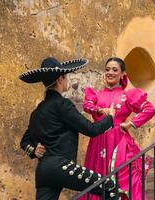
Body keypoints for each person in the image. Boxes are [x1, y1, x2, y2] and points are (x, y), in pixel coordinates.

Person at [19, 57, 119, 200]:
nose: (67, 81)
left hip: (43, 171)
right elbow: (91, 129)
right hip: (60, 167)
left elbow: (24, 141)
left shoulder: (37, 111)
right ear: (60, 79)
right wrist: (110, 117)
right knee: (109, 186)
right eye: (66, 78)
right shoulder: (62, 104)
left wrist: (34, 150)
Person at [82, 57, 155, 200]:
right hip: (98, 142)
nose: (110, 72)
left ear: (123, 74)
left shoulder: (127, 95)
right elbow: (87, 106)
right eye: (107, 69)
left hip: (118, 142)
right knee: (96, 181)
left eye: (115, 70)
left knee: (124, 181)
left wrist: (131, 124)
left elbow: (150, 109)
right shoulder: (96, 95)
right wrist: (100, 111)